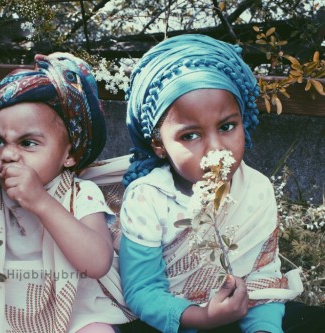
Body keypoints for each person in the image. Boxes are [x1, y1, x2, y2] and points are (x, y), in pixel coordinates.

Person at [118, 34, 321, 333]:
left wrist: (263, 329)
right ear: (159, 145)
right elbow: (142, 290)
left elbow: (263, 276)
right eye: (190, 135)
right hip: (174, 318)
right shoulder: (148, 198)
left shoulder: (257, 189)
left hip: (243, 313)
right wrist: (203, 318)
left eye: (227, 126)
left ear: (243, 121)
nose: (215, 149)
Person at [0, 52, 151, 333]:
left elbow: (97, 262)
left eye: (27, 143)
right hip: (0, 304)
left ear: (69, 154)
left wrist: (41, 202)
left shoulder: (80, 193)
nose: (8, 154)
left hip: (75, 304)